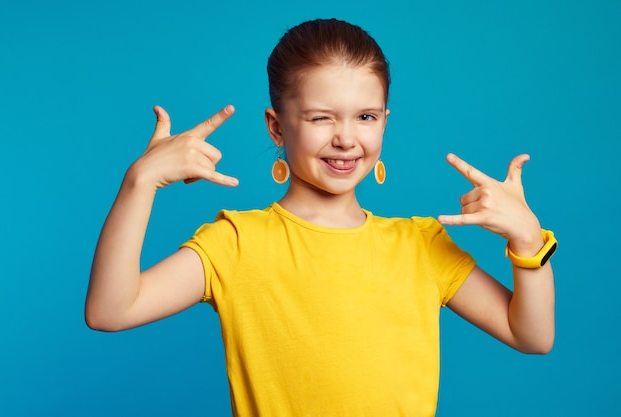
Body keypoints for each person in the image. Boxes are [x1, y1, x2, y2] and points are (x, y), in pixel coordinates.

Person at [86, 18, 556, 417]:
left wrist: (529, 242)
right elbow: (110, 311)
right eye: (320, 118)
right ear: (276, 127)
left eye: (366, 117)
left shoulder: (421, 245)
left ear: (385, 121)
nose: (347, 139)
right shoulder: (237, 243)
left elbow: (531, 335)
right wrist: (139, 184)